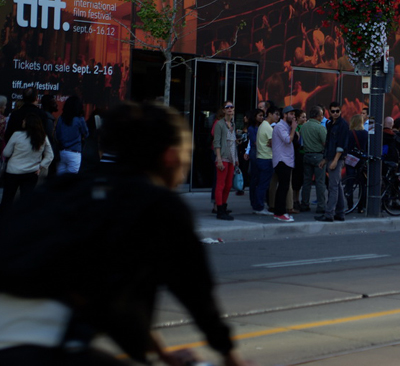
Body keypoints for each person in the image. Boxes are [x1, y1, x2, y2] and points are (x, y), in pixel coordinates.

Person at [0, 102, 253, 366]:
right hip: (42, 349)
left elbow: (114, 302)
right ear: (170, 156)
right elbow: (196, 293)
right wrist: (230, 357)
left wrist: (162, 353)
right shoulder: (158, 205)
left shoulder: (67, 188)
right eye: (185, 155)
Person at [0, 113, 53, 211]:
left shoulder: (17, 135)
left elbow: (6, 153)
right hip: (31, 172)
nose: (22, 122)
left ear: (28, 123)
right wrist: (41, 166)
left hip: (13, 171)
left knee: (7, 199)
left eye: (24, 120)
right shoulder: (42, 137)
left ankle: (4, 221)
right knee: (26, 200)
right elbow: (50, 155)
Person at [315, 102, 348, 222]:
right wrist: (325, 159)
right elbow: (329, 143)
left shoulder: (342, 125)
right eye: (333, 111)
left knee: (333, 186)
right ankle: (339, 213)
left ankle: (330, 214)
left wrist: (334, 160)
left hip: (336, 159)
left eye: (337, 111)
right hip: (332, 157)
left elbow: (341, 145)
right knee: (337, 186)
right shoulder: (330, 124)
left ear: (340, 111)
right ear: (329, 111)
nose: (335, 113)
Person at [271, 105, 297, 222]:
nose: (293, 116)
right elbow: (287, 140)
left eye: (294, 114)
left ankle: (280, 211)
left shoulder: (286, 126)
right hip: (282, 160)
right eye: (291, 114)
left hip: (286, 160)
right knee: (283, 186)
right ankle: (279, 212)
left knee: (284, 186)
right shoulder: (280, 126)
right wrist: (293, 129)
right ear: (285, 115)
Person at [213, 100, 238, 221]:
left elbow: (233, 143)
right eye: (227, 107)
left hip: (232, 158)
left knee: (228, 185)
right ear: (223, 110)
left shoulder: (233, 124)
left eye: (231, 107)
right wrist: (218, 159)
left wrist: (236, 158)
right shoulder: (219, 124)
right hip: (223, 157)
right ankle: (219, 209)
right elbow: (216, 142)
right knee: (221, 185)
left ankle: (223, 206)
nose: (230, 109)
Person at [300, 105, 327, 214]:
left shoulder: (304, 127)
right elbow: (325, 143)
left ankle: (305, 204)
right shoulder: (320, 128)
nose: (322, 117)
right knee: (320, 182)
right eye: (321, 115)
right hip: (318, 156)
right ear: (317, 116)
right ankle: (321, 206)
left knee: (306, 182)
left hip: (307, 155)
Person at [55, 96, 89, 175]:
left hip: (62, 152)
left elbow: (58, 135)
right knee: (71, 182)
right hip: (74, 152)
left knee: (59, 181)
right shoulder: (80, 119)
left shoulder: (61, 118)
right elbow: (86, 133)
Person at [255, 105, 278, 215]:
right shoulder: (267, 127)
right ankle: (259, 207)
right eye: (276, 114)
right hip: (266, 158)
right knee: (263, 185)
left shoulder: (263, 125)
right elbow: (273, 143)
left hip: (262, 158)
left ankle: (258, 206)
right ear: (269, 114)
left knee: (261, 184)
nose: (277, 117)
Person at [345, 113, 368, 213]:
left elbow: (346, 146)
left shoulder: (349, 133)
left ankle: (350, 206)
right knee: (362, 184)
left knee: (349, 182)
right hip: (361, 160)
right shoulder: (366, 133)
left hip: (350, 159)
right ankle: (361, 207)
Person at [245, 109, 264, 212]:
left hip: (259, 152)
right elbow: (254, 142)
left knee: (259, 178)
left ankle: (258, 200)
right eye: (260, 115)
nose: (262, 117)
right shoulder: (252, 128)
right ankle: (254, 201)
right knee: (255, 178)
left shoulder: (261, 127)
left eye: (262, 116)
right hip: (255, 153)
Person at [291, 109, 306, 211]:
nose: (305, 119)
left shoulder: (304, 127)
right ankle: (293, 200)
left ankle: (297, 199)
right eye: (303, 117)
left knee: (299, 180)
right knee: (295, 180)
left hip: (302, 156)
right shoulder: (294, 129)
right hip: (295, 156)